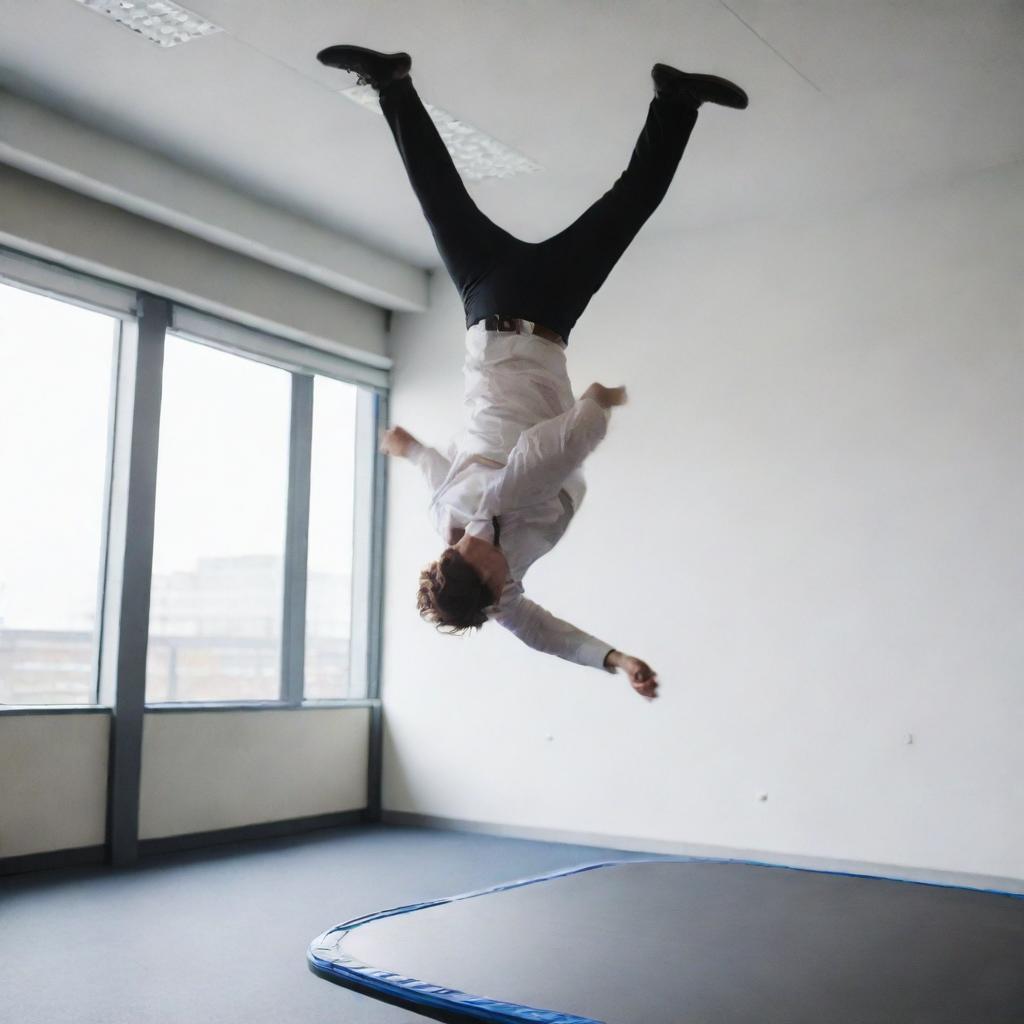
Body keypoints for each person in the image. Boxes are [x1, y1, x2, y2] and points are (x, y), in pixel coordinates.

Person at [316, 45, 747, 700]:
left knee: (446, 198)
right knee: (618, 207)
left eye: (487, 570)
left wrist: (597, 405)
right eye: (498, 582)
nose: (502, 573)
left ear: (459, 559)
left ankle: (389, 83)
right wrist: (615, 660)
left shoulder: (501, 503)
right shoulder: (486, 573)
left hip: (511, 308)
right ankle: (676, 98)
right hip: (515, 315)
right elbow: (541, 631)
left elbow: (551, 450)